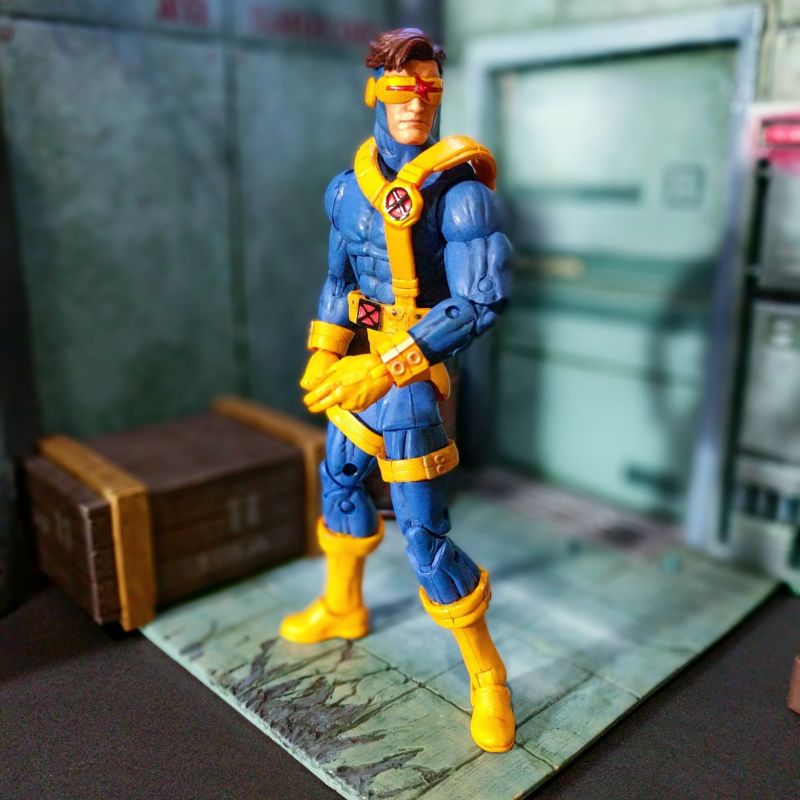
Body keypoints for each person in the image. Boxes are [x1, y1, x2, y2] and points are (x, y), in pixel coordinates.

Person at [279, 28, 515, 753]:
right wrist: (324, 355)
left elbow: (479, 302)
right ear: (374, 92)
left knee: (423, 536)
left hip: (411, 377)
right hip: (358, 368)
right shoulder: (345, 190)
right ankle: (343, 605)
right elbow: (338, 282)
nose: (416, 101)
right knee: (340, 483)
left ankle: (488, 675)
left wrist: (383, 369)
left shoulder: (462, 195)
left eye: (428, 88)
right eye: (400, 87)